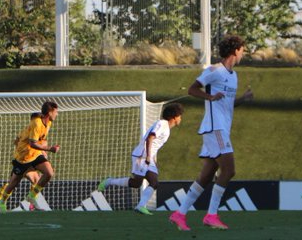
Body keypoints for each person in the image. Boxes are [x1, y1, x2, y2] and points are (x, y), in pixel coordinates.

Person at [170, 35, 254, 231]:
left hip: (221, 129)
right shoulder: (215, 70)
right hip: (215, 128)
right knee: (229, 171)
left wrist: (243, 99)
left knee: (206, 176)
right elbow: (192, 90)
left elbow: (227, 103)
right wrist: (210, 96)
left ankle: (179, 214)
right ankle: (211, 215)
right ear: (235, 50)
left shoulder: (233, 76)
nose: (243, 53)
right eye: (242, 49)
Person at [97, 102, 184, 215]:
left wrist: (153, 159)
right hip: (142, 156)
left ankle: (140, 205)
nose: (180, 119)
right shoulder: (162, 124)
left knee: (145, 183)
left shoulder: (166, 127)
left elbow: (155, 144)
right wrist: (148, 156)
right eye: (180, 116)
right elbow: (150, 138)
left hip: (147, 157)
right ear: (175, 117)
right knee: (145, 182)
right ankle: (110, 182)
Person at [0, 101, 60, 211]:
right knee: (14, 182)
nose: (57, 114)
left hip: (35, 155)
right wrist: (49, 149)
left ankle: (31, 197)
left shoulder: (48, 123)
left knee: (49, 172)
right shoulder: (36, 123)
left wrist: (44, 150)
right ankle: (0, 202)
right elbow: (32, 143)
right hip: (23, 157)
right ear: (49, 113)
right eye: (55, 112)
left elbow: (42, 139)